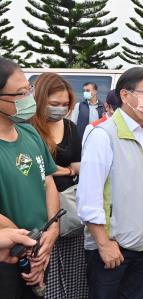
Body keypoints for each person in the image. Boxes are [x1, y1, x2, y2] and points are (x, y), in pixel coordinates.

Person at [77, 67, 143, 299]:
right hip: (112, 248)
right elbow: (89, 197)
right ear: (125, 96)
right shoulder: (103, 135)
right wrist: (104, 244)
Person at [0, 57, 59, 298]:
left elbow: (48, 182)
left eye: (29, 89)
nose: (29, 99)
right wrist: (26, 244)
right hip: (8, 255)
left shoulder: (29, 132)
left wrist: (53, 228)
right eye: (20, 94)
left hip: (39, 249)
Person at [30, 72, 87, 299]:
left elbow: (78, 166)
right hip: (39, 211)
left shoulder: (71, 128)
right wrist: (61, 170)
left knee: (75, 271)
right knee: (43, 270)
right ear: (40, 100)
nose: (60, 109)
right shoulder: (27, 128)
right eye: (54, 104)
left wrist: (59, 169)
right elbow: (38, 169)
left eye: (65, 104)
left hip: (70, 210)